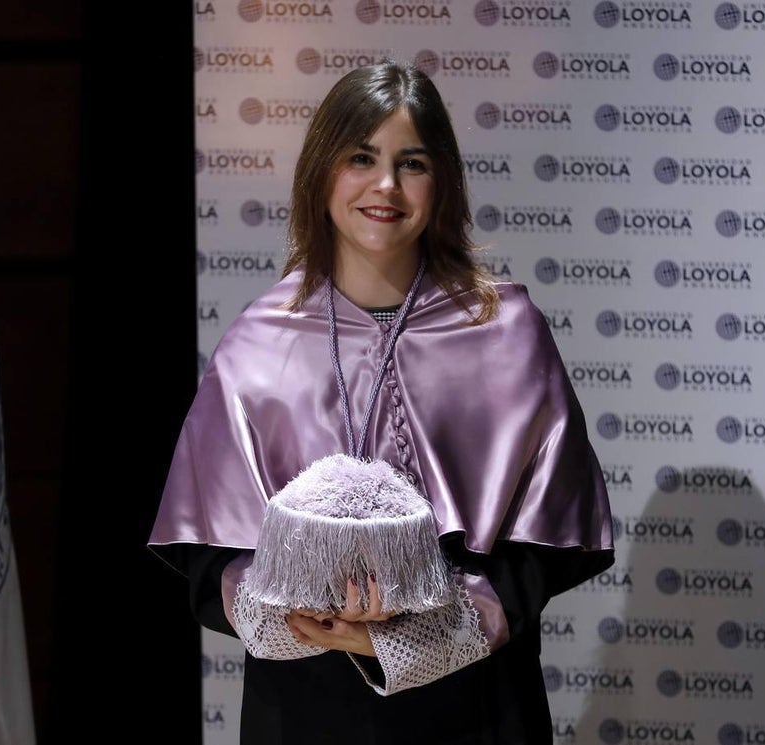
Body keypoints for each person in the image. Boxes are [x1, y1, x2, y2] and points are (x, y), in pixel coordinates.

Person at [148, 59, 615, 744]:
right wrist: (299, 614)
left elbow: (544, 547)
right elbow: (208, 558)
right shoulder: (258, 339)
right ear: (321, 172)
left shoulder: (505, 328)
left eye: (413, 162)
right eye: (361, 157)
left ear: (443, 180)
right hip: (304, 710)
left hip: (474, 705)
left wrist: (413, 638)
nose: (386, 185)